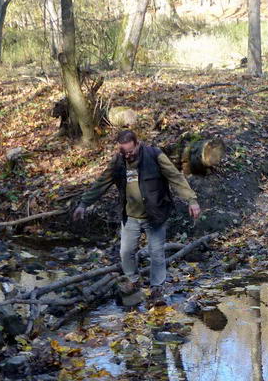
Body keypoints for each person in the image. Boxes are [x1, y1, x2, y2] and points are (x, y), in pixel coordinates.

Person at [73, 130, 201, 307]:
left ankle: (157, 288)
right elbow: (101, 183)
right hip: (131, 216)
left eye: (130, 151)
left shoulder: (154, 155)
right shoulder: (118, 162)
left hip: (155, 214)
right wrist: (83, 204)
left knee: (156, 253)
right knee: (125, 252)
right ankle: (133, 280)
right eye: (123, 151)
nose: (127, 155)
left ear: (138, 144)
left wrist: (191, 200)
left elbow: (175, 177)